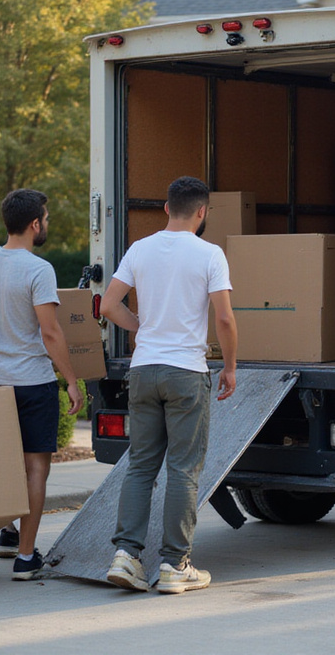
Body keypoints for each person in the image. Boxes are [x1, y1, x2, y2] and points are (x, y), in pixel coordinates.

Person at [100, 176, 237, 594]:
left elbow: (107, 305)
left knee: (141, 465)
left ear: (165, 208)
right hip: (186, 373)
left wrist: (141, 327)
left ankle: (126, 557)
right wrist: (230, 367)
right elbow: (225, 319)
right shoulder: (210, 254)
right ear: (202, 213)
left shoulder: (140, 249)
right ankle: (176, 564)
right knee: (183, 469)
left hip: (143, 370)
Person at [0, 189, 84, 580]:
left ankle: (8, 533)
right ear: (35, 224)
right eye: (46, 219)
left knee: (7, 465)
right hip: (33, 381)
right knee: (36, 468)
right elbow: (50, 333)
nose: (46, 225)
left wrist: (4, 344)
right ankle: (25, 556)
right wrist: (71, 381)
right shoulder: (39, 269)